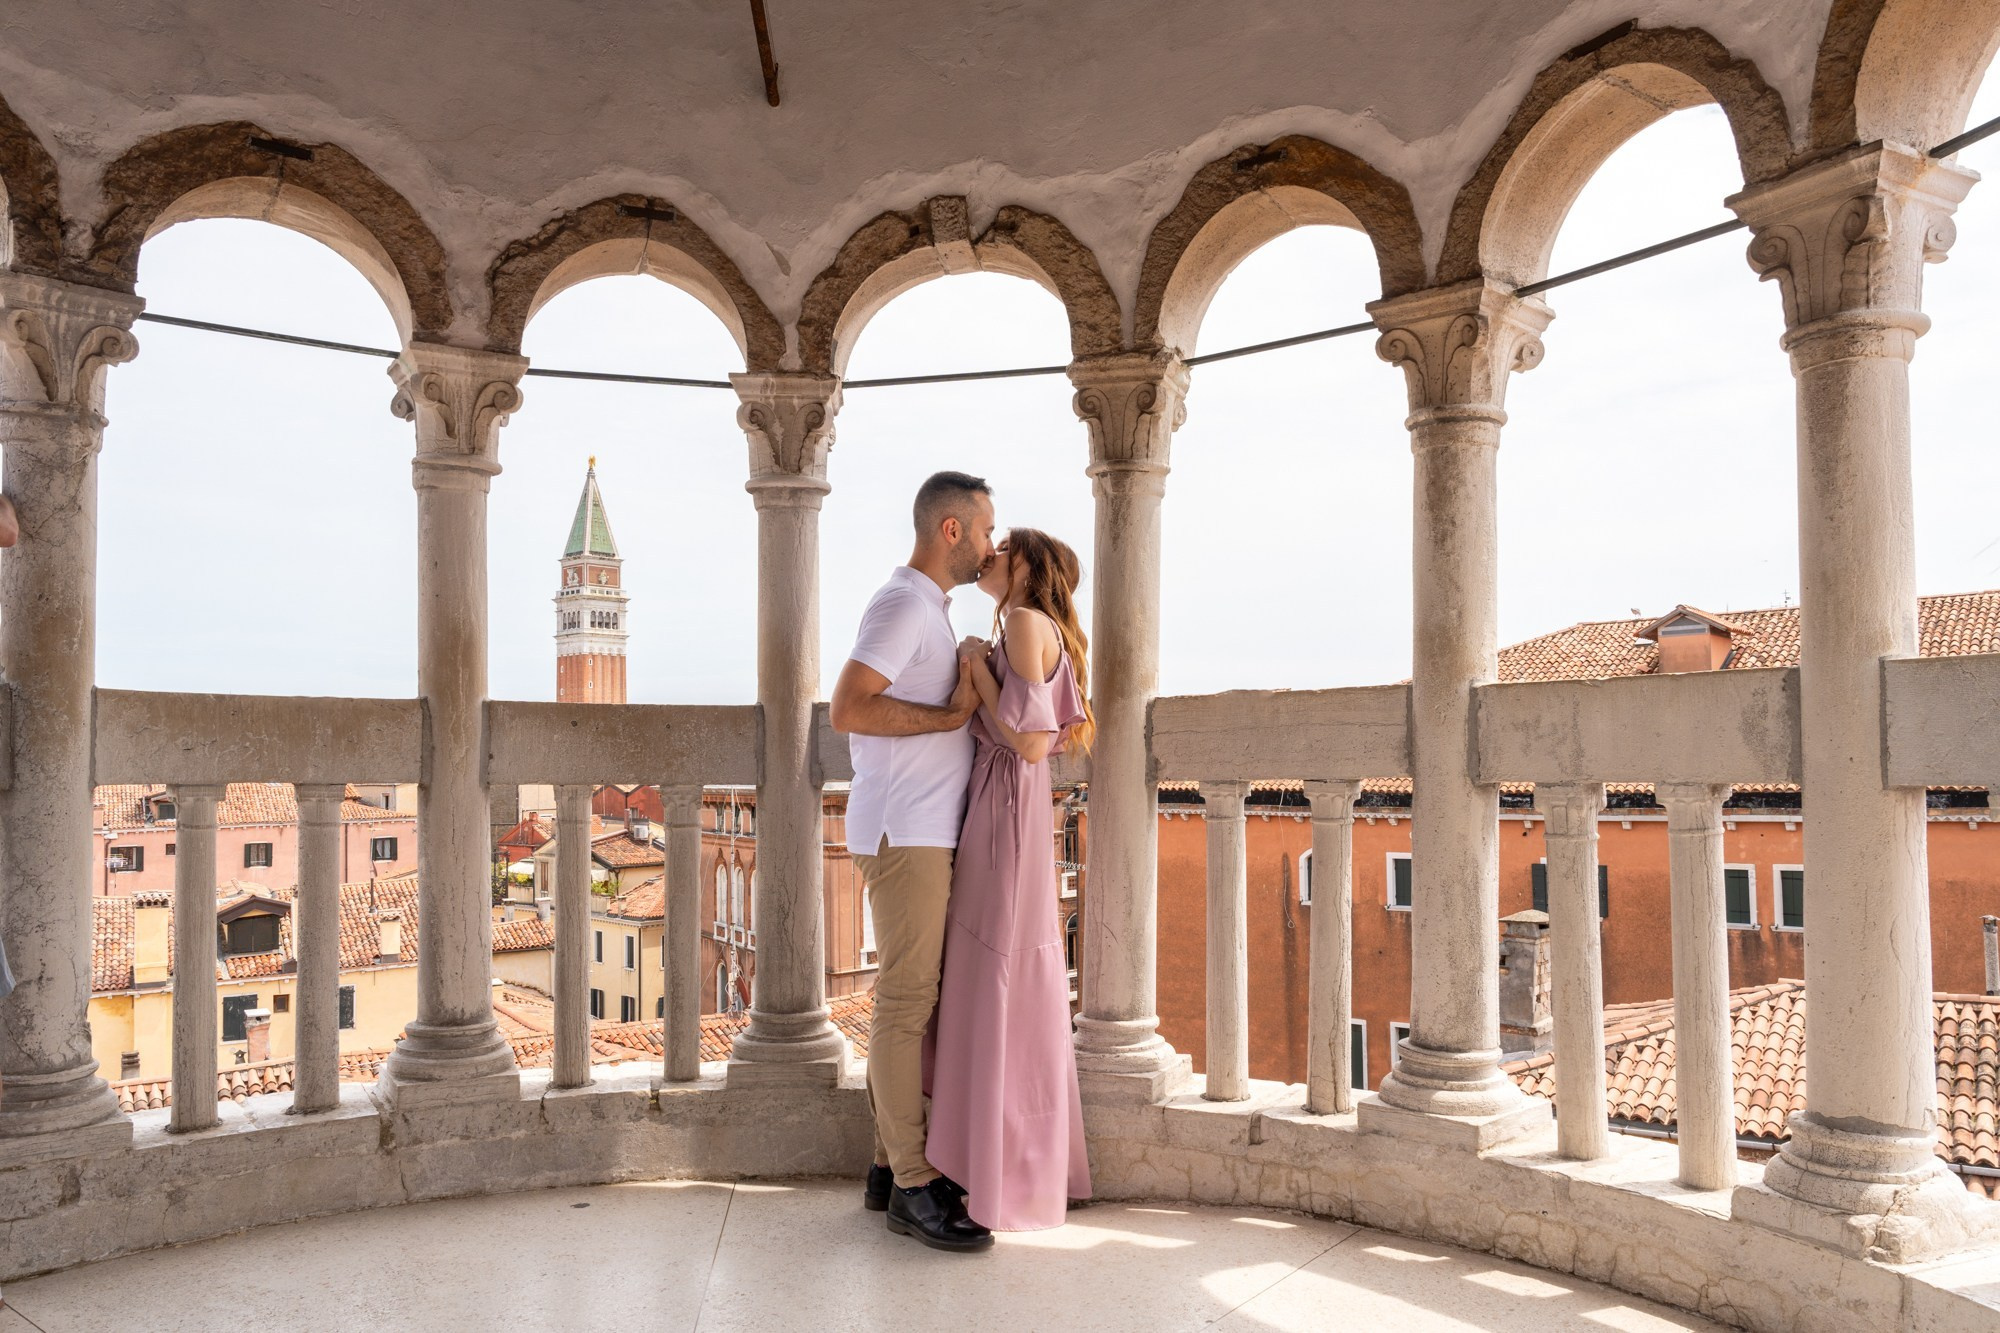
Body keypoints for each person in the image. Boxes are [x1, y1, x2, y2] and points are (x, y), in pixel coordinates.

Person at [827, 470, 996, 1253]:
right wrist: (953, 714)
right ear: (952, 529)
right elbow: (850, 705)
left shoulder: (925, 609)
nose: (992, 544)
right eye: (986, 529)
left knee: (907, 1003)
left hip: (917, 832)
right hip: (906, 835)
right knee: (904, 1005)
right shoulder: (904, 605)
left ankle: (884, 1168)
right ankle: (915, 1185)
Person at [925, 528, 1093, 1231]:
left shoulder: (1025, 620)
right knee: (996, 971)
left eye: (1003, 549)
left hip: (1007, 809)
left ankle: (993, 1174)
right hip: (1002, 807)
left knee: (992, 971)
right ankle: (1001, 1165)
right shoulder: (1024, 622)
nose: (989, 557)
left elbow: (1027, 740)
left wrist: (976, 668)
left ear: (1028, 568)